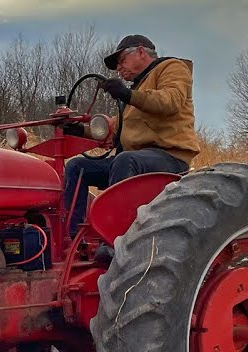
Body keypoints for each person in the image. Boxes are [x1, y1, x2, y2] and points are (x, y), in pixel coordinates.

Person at [62, 34, 201, 239]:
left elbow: (170, 101)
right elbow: (112, 131)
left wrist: (127, 95)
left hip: (168, 158)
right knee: (76, 167)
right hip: (134, 159)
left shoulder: (172, 68)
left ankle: (115, 240)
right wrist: (79, 130)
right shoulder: (135, 93)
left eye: (122, 60)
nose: (119, 68)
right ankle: (73, 237)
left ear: (141, 51)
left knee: (125, 160)